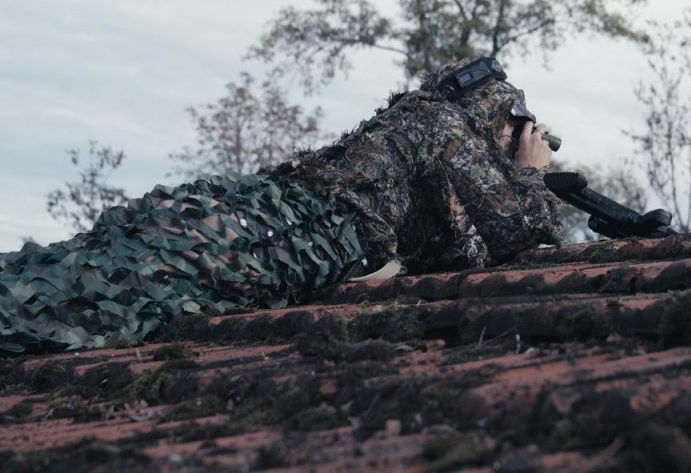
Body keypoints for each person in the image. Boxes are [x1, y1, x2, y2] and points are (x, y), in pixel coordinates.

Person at [0, 57, 563, 353]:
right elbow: (516, 229)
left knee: (87, 277)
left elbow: (466, 254)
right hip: (273, 233)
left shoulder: (416, 137)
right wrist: (529, 176)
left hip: (252, 220)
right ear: (499, 116)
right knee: (96, 294)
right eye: (515, 129)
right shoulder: (441, 121)